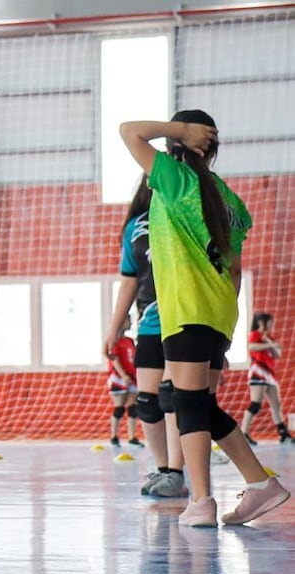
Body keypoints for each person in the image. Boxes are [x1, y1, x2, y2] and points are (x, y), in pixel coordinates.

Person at [120, 109, 290, 527]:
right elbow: (233, 271)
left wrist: (178, 131)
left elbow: (129, 131)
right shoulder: (230, 201)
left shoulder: (176, 181)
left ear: (178, 144)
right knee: (195, 402)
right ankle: (248, 487)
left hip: (188, 308)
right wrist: (224, 333)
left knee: (189, 402)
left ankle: (206, 499)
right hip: (217, 311)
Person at [105, 196, 188, 498]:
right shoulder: (135, 228)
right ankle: (164, 468)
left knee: (171, 395)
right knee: (146, 402)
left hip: (184, 320)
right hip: (149, 324)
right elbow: (128, 281)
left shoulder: (186, 213)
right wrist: (114, 329)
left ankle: (177, 472)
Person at [238, 312, 292, 444]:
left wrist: (270, 343)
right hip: (258, 370)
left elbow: (277, 355)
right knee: (255, 403)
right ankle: (243, 432)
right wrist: (269, 344)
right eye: (269, 322)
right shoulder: (255, 334)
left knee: (276, 404)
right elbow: (251, 347)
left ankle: (283, 432)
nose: (271, 325)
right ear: (262, 322)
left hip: (269, 373)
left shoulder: (269, 338)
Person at [105, 315, 143, 448]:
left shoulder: (129, 341)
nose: (131, 323)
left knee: (133, 408)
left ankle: (132, 437)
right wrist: (123, 375)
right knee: (119, 408)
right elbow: (114, 359)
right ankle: (114, 436)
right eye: (128, 320)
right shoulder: (114, 341)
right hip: (118, 378)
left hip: (132, 378)